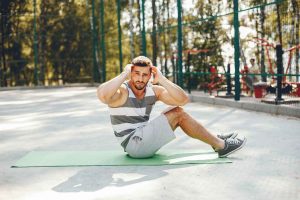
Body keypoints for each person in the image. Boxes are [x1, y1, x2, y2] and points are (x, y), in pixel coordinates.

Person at [97, 56, 246, 158]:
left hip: (141, 139)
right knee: (178, 114)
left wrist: (161, 79)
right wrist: (124, 74)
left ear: (150, 76)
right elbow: (102, 96)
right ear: (131, 73)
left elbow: (183, 99)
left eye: (144, 75)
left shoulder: (152, 90)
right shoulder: (123, 91)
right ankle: (221, 146)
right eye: (136, 74)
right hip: (133, 144)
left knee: (174, 110)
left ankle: (214, 139)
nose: (140, 79)